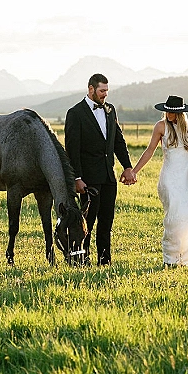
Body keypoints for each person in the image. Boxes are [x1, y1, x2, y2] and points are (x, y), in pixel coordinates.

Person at [132, 95, 188, 268]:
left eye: (173, 112)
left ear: (180, 113)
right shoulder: (160, 126)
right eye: (167, 110)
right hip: (170, 179)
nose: (169, 114)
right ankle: (169, 257)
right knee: (174, 218)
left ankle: (183, 256)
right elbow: (149, 151)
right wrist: (134, 171)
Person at [65, 73, 136, 265]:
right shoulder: (75, 113)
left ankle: (105, 260)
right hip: (88, 179)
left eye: (107, 91)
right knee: (87, 222)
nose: (105, 95)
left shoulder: (110, 110)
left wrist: (127, 166)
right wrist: (77, 178)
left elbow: (118, 142)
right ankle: (81, 258)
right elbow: (72, 149)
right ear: (91, 89)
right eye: (102, 91)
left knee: (107, 221)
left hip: (108, 177)